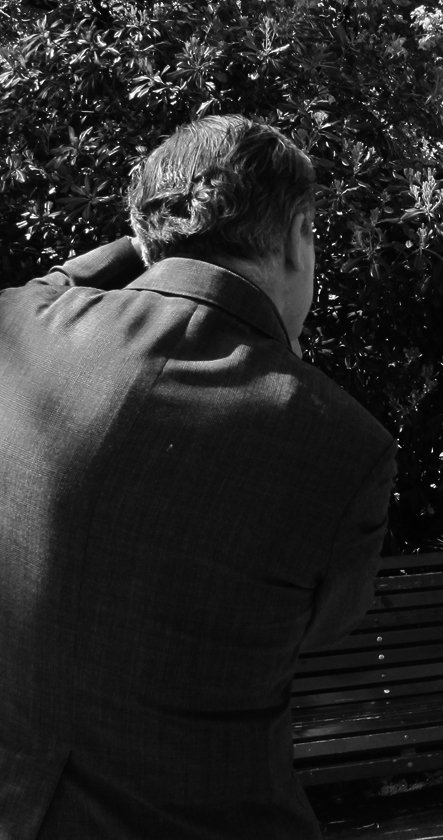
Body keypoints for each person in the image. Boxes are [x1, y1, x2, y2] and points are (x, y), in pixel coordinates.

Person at [0, 115, 396, 838]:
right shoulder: (342, 443)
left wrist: (149, 248)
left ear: (149, 236)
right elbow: (319, 627)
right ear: (298, 234)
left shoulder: (20, 328)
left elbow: (52, 280)